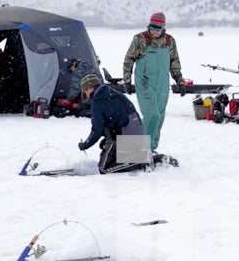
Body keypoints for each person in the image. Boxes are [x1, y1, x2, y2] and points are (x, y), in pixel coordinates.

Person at [123, 11, 184, 153]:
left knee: (160, 117)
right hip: (144, 82)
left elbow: (174, 62)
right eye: (152, 27)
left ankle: (150, 149)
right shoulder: (140, 39)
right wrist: (127, 80)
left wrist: (179, 81)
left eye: (158, 28)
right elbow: (129, 59)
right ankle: (135, 150)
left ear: (163, 28)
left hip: (162, 83)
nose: (154, 31)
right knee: (152, 115)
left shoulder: (169, 41)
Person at [77, 73, 153, 174]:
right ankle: (152, 157)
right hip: (138, 134)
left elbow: (97, 130)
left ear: (90, 88)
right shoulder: (115, 93)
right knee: (110, 155)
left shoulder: (98, 102)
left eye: (85, 92)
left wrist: (85, 145)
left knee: (104, 168)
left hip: (125, 137)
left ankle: (141, 161)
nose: (86, 96)